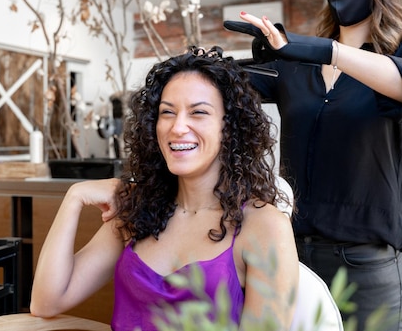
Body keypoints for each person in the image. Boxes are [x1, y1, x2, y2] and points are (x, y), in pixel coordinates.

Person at [223, 0, 402, 331]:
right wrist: (212, 65)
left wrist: (323, 50)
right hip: (289, 257)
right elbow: (224, 88)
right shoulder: (296, 64)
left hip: (366, 268)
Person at [30, 46, 299, 330]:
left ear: (230, 127)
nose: (178, 127)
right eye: (167, 112)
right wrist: (75, 197)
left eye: (198, 113)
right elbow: (47, 301)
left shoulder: (265, 225)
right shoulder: (137, 209)